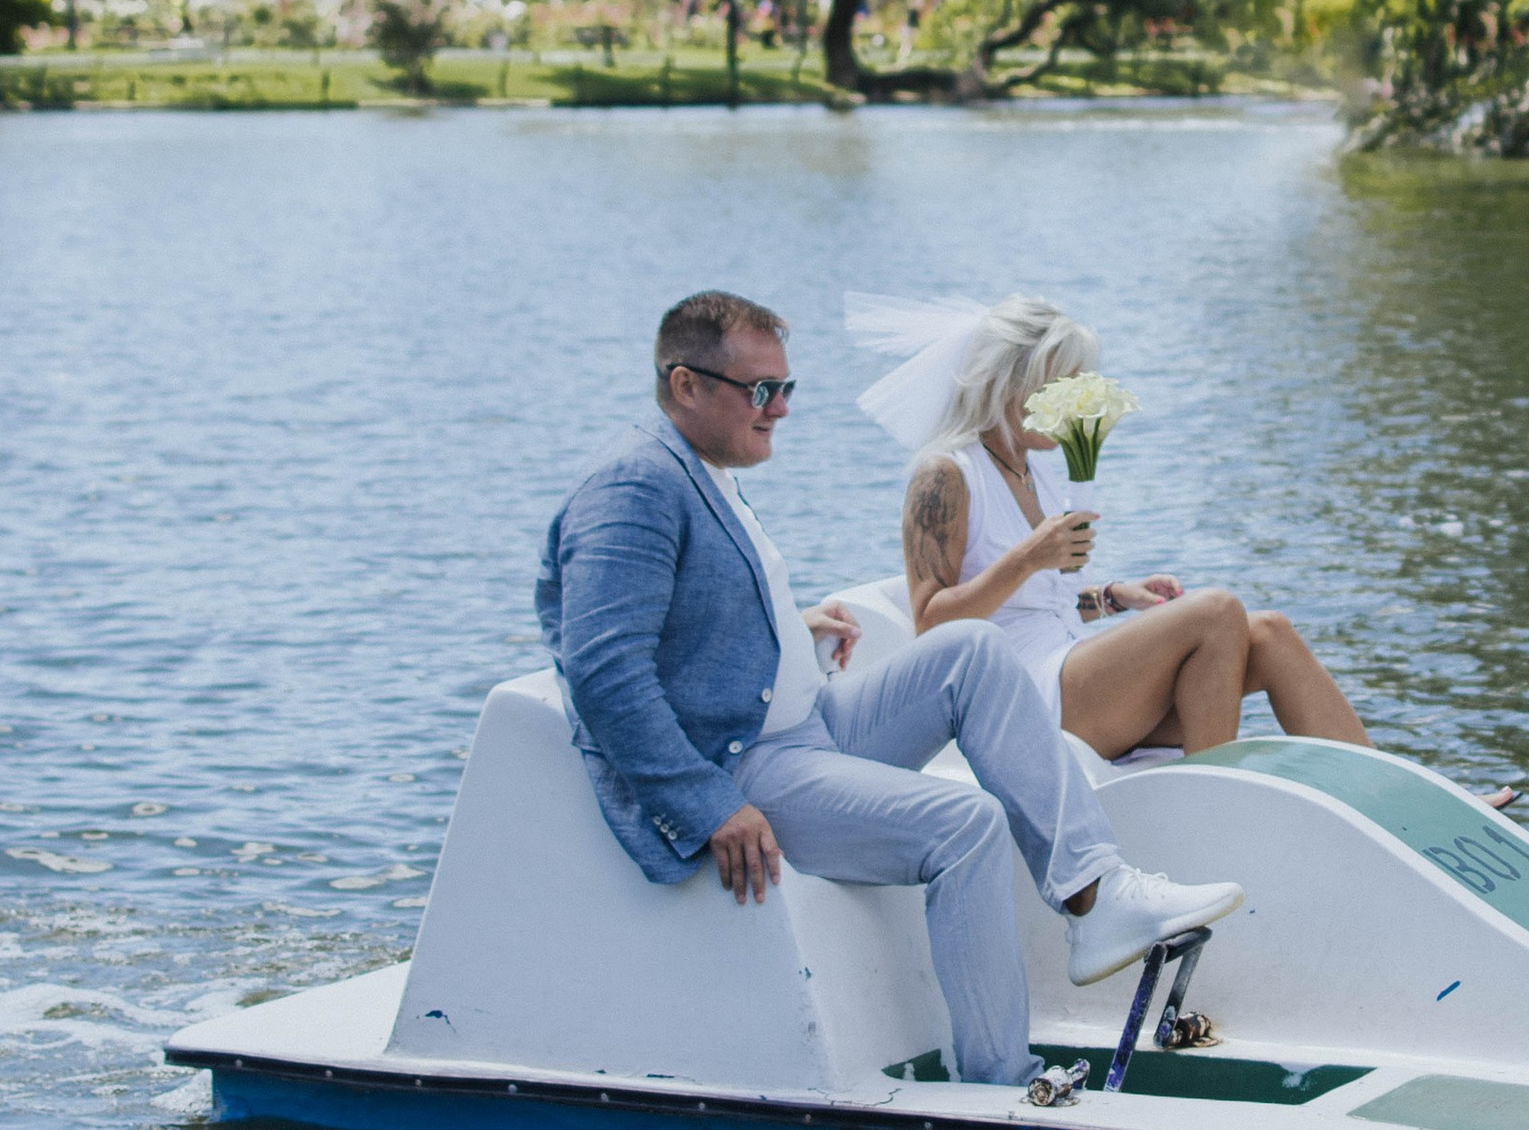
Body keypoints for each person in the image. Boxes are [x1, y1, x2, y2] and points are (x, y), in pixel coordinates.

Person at [535, 289, 1243, 1089]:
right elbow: (602, 670)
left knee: (971, 651)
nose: (780, 410)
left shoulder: (702, 469)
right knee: (966, 824)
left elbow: (682, 618)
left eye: (787, 388)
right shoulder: (633, 486)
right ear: (684, 385)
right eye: (759, 391)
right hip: (743, 763)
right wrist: (706, 806)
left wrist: (788, 629)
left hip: (804, 720)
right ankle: (998, 1084)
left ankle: (1095, 894)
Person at [856, 293, 1371, 763]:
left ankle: (1387, 798)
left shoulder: (1034, 470)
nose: (1077, 401)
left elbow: (1033, 603)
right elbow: (930, 624)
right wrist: (1028, 557)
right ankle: (1213, 803)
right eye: (1063, 385)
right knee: (1216, 611)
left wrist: (1109, 598)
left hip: (1071, 670)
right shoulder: (945, 473)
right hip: (1020, 697)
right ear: (1011, 384)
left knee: (1269, 632)